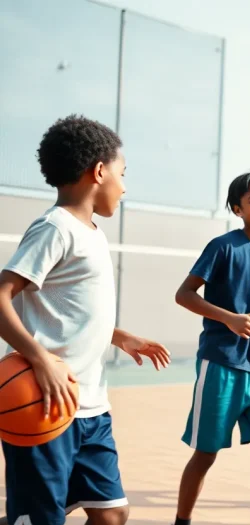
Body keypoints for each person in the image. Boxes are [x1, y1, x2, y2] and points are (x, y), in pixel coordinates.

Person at [0, 114, 170, 525]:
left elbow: (64, 309)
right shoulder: (54, 228)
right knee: (41, 519)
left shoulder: (92, 231)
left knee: (112, 513)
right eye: (122, 174)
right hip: (43, 401)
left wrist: (116, 336)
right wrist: (41, 361)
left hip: (91, 404)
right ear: (98, 171)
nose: (125, 186)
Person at [173, 171, 250, 525]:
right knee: (205, 454)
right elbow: (184, 295)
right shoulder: (223, 247)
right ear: (237, 208)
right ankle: (181, 521)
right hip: (221, 365)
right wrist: (229, 318)